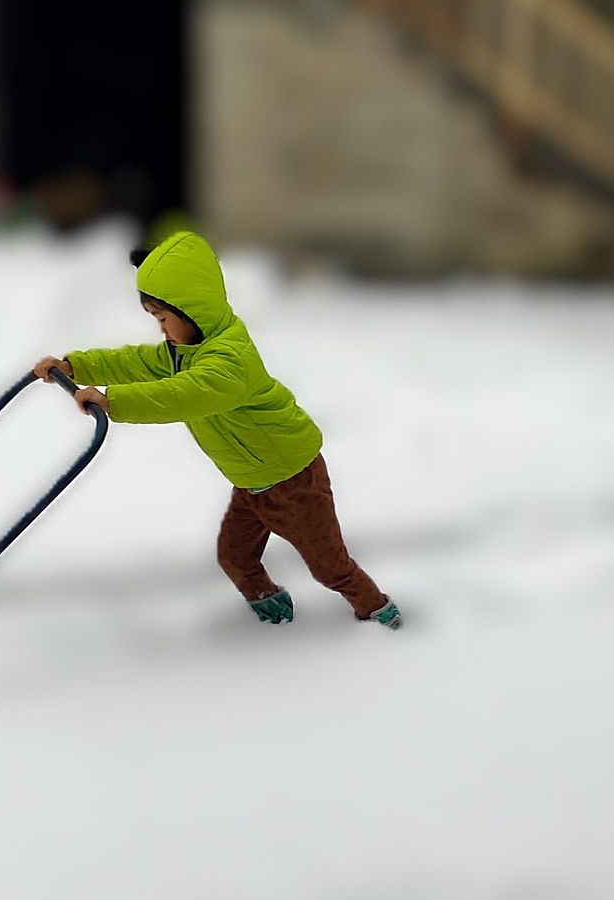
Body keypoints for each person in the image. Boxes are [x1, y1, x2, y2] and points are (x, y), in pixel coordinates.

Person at [33, 229, 402, 629]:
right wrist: (75, 366)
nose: (160, 329)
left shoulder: (230, 361)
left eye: (163, 318)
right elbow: (136, 361)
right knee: (235, 557)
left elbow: (184, 395)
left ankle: (380, 614)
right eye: (155, 318)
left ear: (194, 309)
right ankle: (270, 605)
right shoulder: (183, 352)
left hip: (295, 480)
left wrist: (114, 402)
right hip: (250, 484)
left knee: (330, 568)